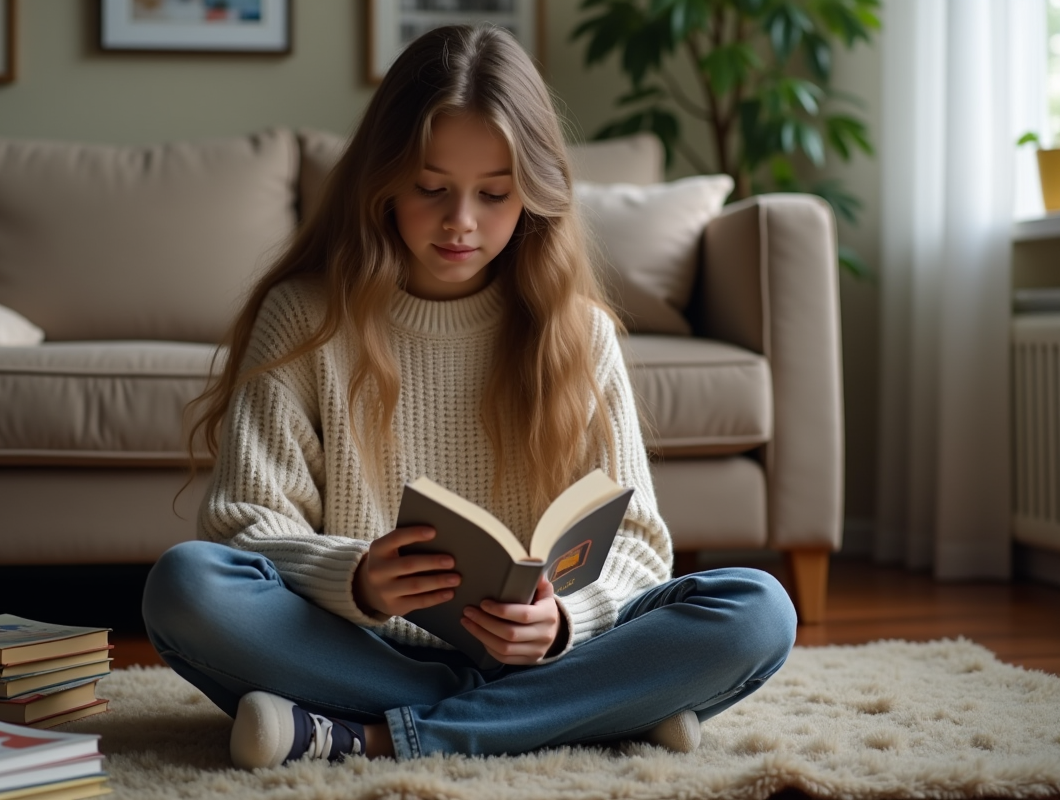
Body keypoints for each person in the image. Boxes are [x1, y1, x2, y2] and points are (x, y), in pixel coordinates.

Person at [141, 24, 797, 769]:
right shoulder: (305, 316)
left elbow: (641, 546)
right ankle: (584, 715)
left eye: (494, 194)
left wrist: (561, 624)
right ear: (383, 180)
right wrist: (355, 577)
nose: (461, 221)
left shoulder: (578, 332)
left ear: (536, 195)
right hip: (361, 646)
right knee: (186, 586)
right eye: (431, 188)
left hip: (549, 653)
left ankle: (377, 735)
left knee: (757, 610)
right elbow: (241, 526)